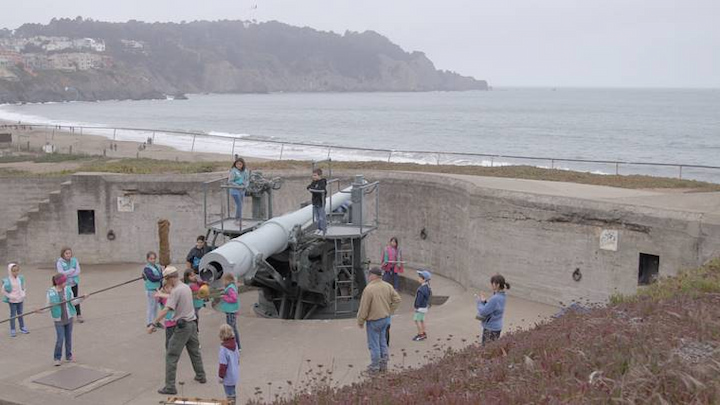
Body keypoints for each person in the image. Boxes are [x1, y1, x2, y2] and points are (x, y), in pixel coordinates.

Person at [148, 266, 206, 395]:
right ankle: (201, 375)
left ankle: (170, 387)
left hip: (183, 326)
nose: (165, 282)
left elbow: (166, 309)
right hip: (192, 323)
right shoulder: (185, 287)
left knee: (171, 355)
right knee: (194, 352)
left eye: (166, 279)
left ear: (169, 278)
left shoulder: (176, 291)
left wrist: (153, 323)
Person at [357, 267, 401, 374]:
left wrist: (360, 321)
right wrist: (390, 310)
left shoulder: (369, 289)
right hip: (385, 319)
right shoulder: (387, 286)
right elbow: (397, 300)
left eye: (369, 275)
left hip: (374, 321)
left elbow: (364, 307)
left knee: (374, 345)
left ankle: (374, 367)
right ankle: (383, 365)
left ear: (372, 275)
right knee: (383, 342)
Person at [46, 274, 84, 366]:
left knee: (68, 338)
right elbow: (48, 306)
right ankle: (57, 357)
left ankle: (68, 356)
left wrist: (82, 298)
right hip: (58, 319)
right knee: (60, 339)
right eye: (64, 282)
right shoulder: (51, 292)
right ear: (59, 282)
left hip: (69, 317)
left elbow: (73, 301)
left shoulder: (67, 289)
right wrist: (40, 311)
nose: (65, 283)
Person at [476, 274, 510, 345]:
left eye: (492, 283)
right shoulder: (503, 296)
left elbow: (483, 312)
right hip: (497, 327)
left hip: (490, 329)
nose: (491, 285)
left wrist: (479, 302)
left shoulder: (495, 298)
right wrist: (485, 302)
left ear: (497, 285)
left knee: (486, 350)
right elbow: (494, 308)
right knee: (492, 349)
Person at [57, 247, 83, 323]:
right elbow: (61, 273)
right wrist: (71, 271)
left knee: (75, 298)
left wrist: (68, 274)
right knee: (64, 300)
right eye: (66, 253)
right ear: (63, 254)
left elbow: (78, 271)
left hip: (74, 283)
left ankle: (79, 315)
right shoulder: (60, 262)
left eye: (69, 253)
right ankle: (65, 316)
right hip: (65, 284)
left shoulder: (74, 260)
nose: (68, 255)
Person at [2, 263, 28, 337]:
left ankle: (22, 327)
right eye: (13, 271)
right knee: (13, 315)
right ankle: (12, 329)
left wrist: (23, 293)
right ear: (10, 271)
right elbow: (3, 291)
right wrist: (11, 296)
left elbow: (22, 287)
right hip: (12, 301)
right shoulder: (7, 280)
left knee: (20, 314)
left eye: (17, 270)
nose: (15, 272)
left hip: (20, 300)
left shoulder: (20, 278)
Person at [218, 324, 240, 404]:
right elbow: (238, 358)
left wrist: (221, 376)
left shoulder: (223, 349)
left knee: (229, 395)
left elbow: (223, 365)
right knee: (233, 393)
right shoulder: (235, 344)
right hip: (234, 373)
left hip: (228, 376)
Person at [219, 273, 241, 350]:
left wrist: (224, 297)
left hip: (231, 311)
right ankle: (235, 344)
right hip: (230, 310)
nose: (223, 282)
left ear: (227, 280)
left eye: (223, 281)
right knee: (232, 327)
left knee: (232, 328)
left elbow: (234, 298)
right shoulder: (230, 287)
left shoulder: (230, 288)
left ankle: (236, 345)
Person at [143, 251, 163, 327]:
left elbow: (161, 275)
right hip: (151, 290)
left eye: (154, 258)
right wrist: (162, 276)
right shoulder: (146, 268)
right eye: (151, 258)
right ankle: (149, 323)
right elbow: (153, 278)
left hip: (157, 290)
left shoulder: (158, 266)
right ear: (147, 259)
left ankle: (155, 322)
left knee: (155, 307)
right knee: (151, 306)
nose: (153, 260)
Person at [228, 157, 249, 229]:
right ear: (235, 164)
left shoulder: (245, 171)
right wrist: (238, 186)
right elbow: (230, 181)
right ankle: (238, 220)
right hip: (235, 190)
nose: (239, 165)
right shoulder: (233, 171)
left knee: (240, 205)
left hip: (242, 190)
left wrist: (245, 185)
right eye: (237, 164)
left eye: (240, 164)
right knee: (239, 204)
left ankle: (237, 220)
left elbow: (247, 180)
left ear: (243, 164)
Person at [412, 270, 432, 341]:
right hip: (424, 307)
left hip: (420, 308)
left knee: (417, 320)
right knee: (422, 320)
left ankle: (420, 334)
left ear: (424, 279)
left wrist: (416, 307)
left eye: (420, 277)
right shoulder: (428, 288)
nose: (418, 278)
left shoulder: (421, 289)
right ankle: (423, 333)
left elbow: (418, 299)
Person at [307, 168, 327, 233]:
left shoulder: (322, 182)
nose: (313, 177)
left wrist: (313, 189)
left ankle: (323, 229)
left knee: (322, 217)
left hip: (320, 202)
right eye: (313, 175)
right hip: (315, 202)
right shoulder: (314, 182)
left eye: (315, 175)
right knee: (317, 218)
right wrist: (313, 189)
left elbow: (320, 189)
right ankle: (318, 228)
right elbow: (308, 187)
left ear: (319, 175)